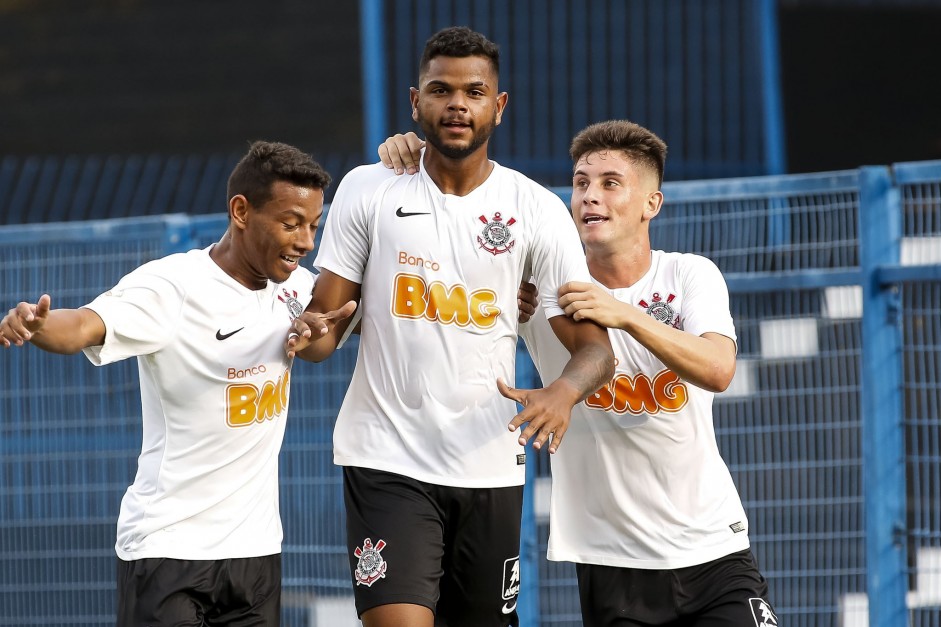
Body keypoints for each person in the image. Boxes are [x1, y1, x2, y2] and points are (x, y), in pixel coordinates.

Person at [380, 120, 778, 626]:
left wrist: (625, 313)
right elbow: (449, 249)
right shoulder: (543, 290)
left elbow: (719, 369)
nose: (591, 196)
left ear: (650, 204)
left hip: (714, 552)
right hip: (610, 564)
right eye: (581, 182)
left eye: (611, 183)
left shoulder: (689, 275)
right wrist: (420, 156)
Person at [287, 26, 614, 627]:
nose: (457, 103)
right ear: (416, 102)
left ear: (499, 105)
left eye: (474, 91)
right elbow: (325, 328)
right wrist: (311, 335)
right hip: (387, 456)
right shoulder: (369, 188)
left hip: (489, 461)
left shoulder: (535, 209)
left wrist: (564, 393)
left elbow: (596, 349)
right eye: (440, 90)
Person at [0, 140, 354, 626]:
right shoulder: (172, 287)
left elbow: (323, 339)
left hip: (255, 553)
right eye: (291, 223)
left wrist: (317, 332)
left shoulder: (296, 290)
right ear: (241, 211)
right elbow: (83, 325)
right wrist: (37, 325)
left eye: (314, 226)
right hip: (168, 550)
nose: (305, 241)